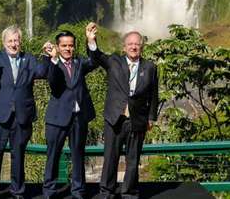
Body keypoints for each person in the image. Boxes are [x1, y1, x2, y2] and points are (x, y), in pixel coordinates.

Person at [86, 22, 159, 199]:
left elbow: (154, 94)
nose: (133, 47)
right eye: (130, 44)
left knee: (133, 159)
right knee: (111, 157)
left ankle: (129, 192)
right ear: (124, 47)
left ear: (141, 46)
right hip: (115, 118)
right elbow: (97, 56)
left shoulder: (150, 67)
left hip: (138, 120)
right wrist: (91, 40)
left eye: (137, 44)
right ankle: (107, 191)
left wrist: (151, 118)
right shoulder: (114, 62)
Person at [0, 25, 51, 199]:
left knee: (18, 156)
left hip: (21, 116)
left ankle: (17, 191)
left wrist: (48, 56)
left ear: (20, 42)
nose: (13, 44)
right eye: (10, 41)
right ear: (4, 43)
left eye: (16, 40)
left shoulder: (29, 58)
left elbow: (41, 72)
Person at [43, 30, 99, 199]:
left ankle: (78, 190)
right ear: (57, 47)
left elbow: (95, 62)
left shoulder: (80, 62)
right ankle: (49, 191)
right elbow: (53, 81)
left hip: (78, 117)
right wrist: (52, 59)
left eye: (71, 45)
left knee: (78, 155)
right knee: (53, 155)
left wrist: (91, 41)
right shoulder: (51, 63)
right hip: (57, 118)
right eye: (64, 46)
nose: (68, 49)